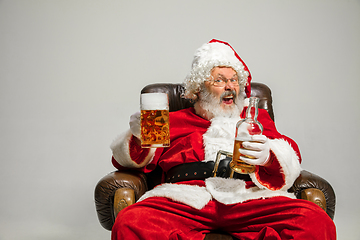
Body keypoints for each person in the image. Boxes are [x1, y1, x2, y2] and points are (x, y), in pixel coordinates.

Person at [110, 39, 336, 239]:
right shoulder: (170, 120)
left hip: (247, 196)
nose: (230, 87)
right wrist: (137, 137)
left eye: (235, 81)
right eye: (220, 80)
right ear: (198, 89)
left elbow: (290, 155)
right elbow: (131, 162)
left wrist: (269, 157)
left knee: (313, 220)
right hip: (185, 198)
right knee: (130, 222)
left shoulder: (254, 118)